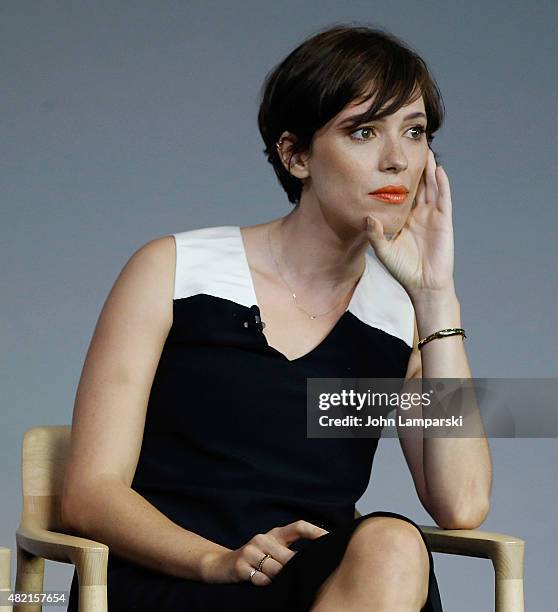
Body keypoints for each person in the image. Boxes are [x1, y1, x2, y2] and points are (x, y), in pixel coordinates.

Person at [62, 22, 492, 611]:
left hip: (320, 591)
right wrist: (216, 561)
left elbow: (462, 502)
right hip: (178, 580)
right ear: (295, 155)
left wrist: (436, 297)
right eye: (363, 131)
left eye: (414, 132)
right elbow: (89, 494)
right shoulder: (173, 270)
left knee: (393, 543)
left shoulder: (401, 319)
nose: (398, 160)